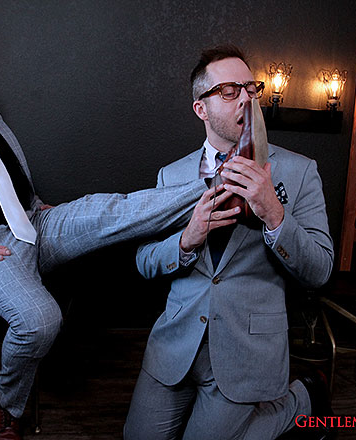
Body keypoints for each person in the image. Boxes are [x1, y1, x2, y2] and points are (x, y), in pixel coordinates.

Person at [0, 19, 224, 440]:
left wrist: (36, 206)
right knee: (40, 321)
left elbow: (5, 178)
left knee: (110, 209)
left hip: (35, 220)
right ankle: (7, 408)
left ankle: (218, 186)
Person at [123, 45, 335, 440]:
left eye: (251, 89)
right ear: (201, 109)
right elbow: (145, 260)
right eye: (229, 91)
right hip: (176, 344)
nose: (246, 99)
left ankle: (302, 398)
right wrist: (186, 240)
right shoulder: (171, 176)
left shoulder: (300, 171)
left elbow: (320, 270)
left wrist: (274, 213)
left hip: (247, 351)